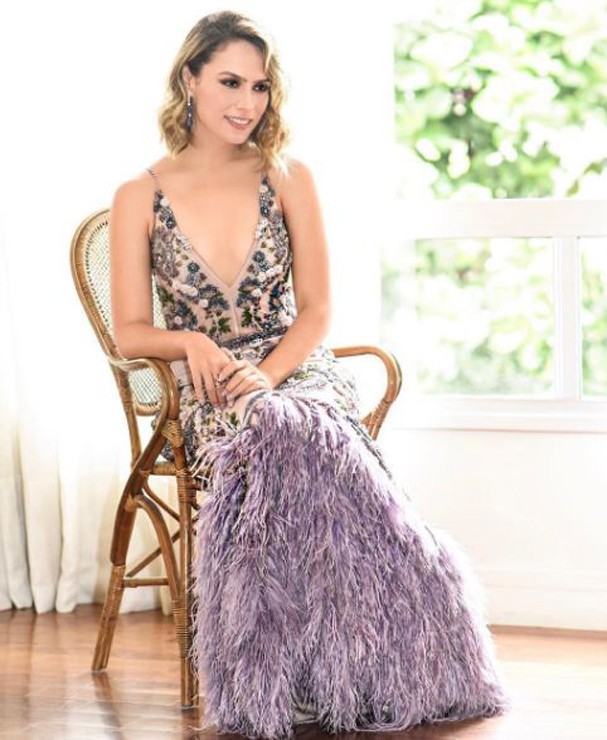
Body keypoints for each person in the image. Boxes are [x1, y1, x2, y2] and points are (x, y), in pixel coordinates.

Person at [109, 9, 508, 739]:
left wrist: (267, 375)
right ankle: (295, 669)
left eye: (259, 86)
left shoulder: (286, 176)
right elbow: (129, 330)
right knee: (266, 426)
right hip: (206, 388)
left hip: (295, 364)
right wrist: (191, 342)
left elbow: (317, 311)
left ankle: (378, 664)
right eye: (230, 82)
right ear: (189, 79)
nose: (247, 102)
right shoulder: (141, 194)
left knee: (293, 421)